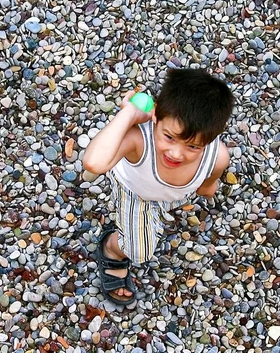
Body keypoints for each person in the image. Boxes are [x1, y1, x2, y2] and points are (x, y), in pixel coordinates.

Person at [82, 68, 235, 305]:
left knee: (160, 215)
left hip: (173, 195)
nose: (176, 153)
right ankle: (112, 247)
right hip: (135, 193)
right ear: (156, 117)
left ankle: (151, 218)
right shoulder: (139, 141)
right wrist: (129, 115)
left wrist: (208, 186)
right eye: (169, 137)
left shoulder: (218, 156)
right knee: (139, 252)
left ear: (210, 139)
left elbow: (210, 179)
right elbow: (93, 163)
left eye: (193, 147)